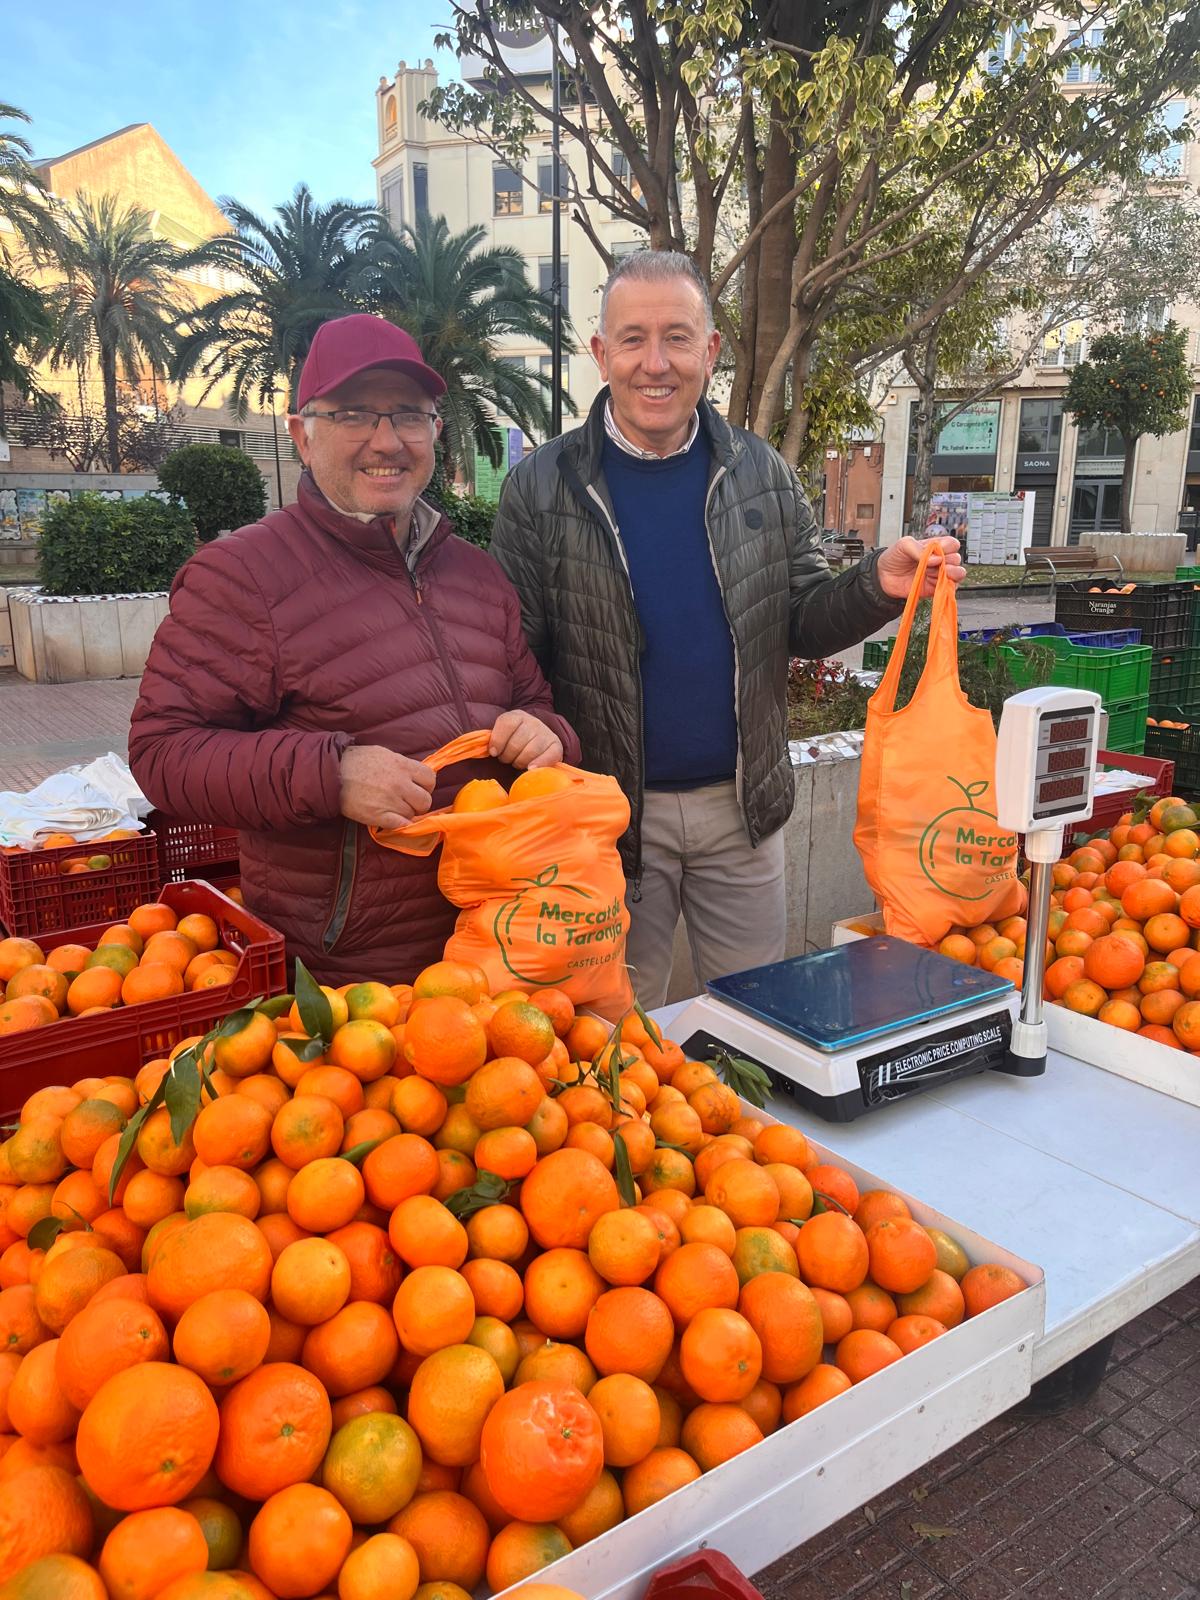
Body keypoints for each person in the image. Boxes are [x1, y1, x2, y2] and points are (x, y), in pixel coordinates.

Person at [490, 250, 964, 1008]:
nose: (656, 363)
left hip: (741, 813)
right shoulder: (541, 486)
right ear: (601, 353)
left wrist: (879, 584)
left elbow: (803, 616)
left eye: (677, 337)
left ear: (710, 353)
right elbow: (514, 654)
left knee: (755, 1020)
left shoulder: (760, 473)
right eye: (634, 339)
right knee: (608, 1028)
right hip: (607, 817)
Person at [130, 314, 578, 984]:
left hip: (499, 947)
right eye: (353, 415)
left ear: (436, 432)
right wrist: (330, 775)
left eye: (408, 414)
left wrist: (549, 738)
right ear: (300, 436)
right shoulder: (243, 575)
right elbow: (163, 752)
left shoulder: (479, 576)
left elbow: (536, 709)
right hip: (349, 983)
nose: (386, 440)